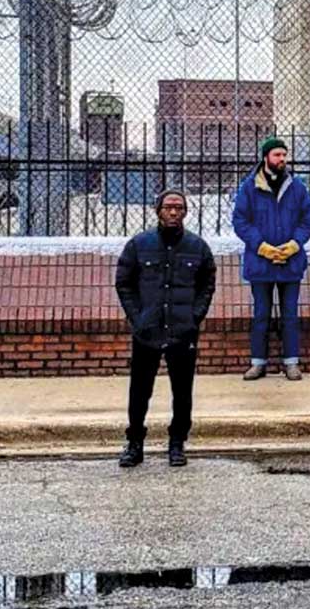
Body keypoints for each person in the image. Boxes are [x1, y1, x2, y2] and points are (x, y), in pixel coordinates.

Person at [115, 190, 216, 468]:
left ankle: (177, 442)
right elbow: (124, 283)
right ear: (158, 210)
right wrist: (138, 319)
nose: (173, 212)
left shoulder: (198, 247)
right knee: (140, 390)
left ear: (185, 212)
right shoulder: (139, 245)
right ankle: (135, 443)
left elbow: (207, 284)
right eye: (168, 207)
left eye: (179, 208)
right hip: (148, 330)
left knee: (182, 391)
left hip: (183, 331)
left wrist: (194, 317)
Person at [232, 137, 310, 382]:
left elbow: (308, 219)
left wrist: (294, 244)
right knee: (261, 315)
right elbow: (241, 221)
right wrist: (262, 247)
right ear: (266, 157)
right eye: (277, 155)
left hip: (290, 263)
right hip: (261, 263)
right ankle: (258, 363)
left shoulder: (297, 187)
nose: (282, 159)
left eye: (284, 154)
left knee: (290, 315)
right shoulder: (249, 187)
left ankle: (291, 362)